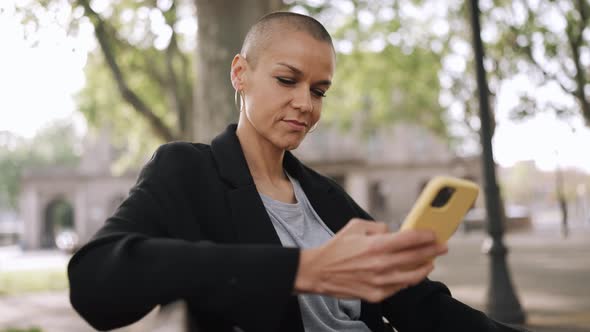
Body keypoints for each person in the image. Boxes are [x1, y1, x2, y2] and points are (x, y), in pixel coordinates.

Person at [68, 12, 524, 332]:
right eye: (288, 80)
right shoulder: (188, 169)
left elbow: (421, 306)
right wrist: (301, 269)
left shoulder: (324, 195)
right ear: (240, 74)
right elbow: (94, 283)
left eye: (319, 90)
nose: (306, 104)